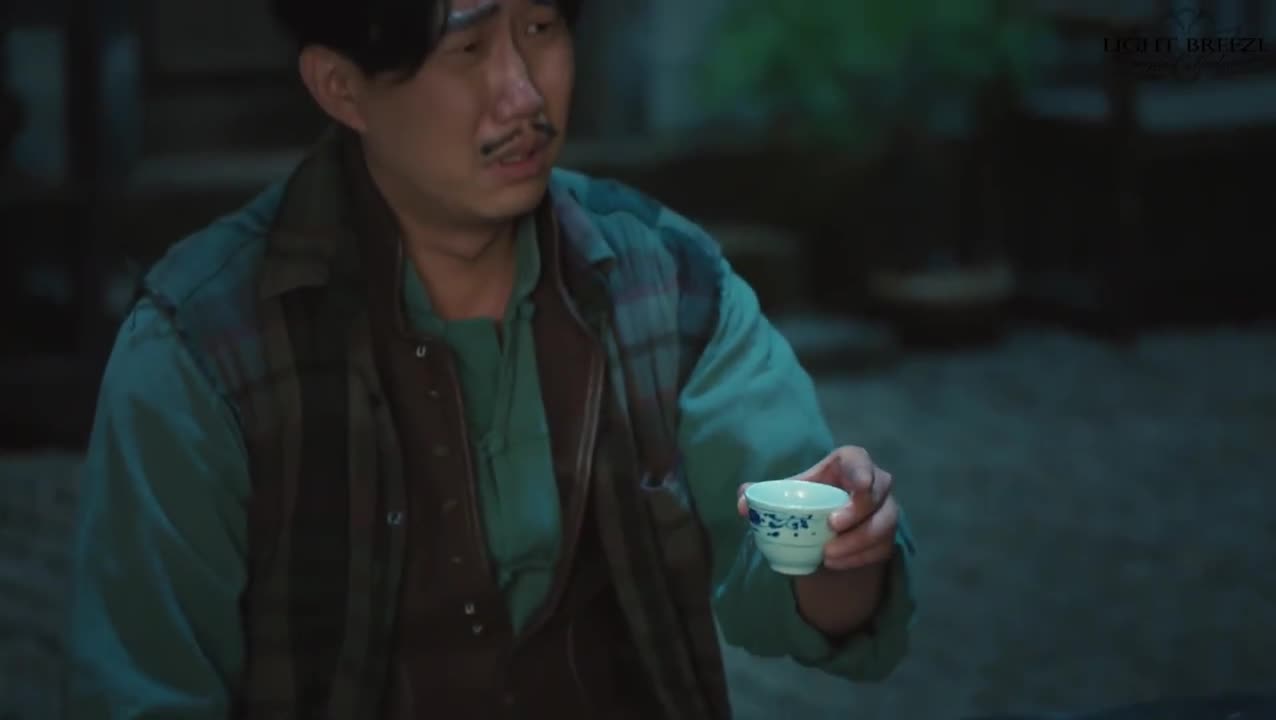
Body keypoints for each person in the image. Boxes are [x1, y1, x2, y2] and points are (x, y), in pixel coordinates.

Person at [66, 0, 917, 717]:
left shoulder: (668, 280)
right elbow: (142, 689)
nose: (523, 94)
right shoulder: (203, 347)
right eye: (467, 48)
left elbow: (798, 573)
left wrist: (844, 552)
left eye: (542, 28)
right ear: (340, 86)